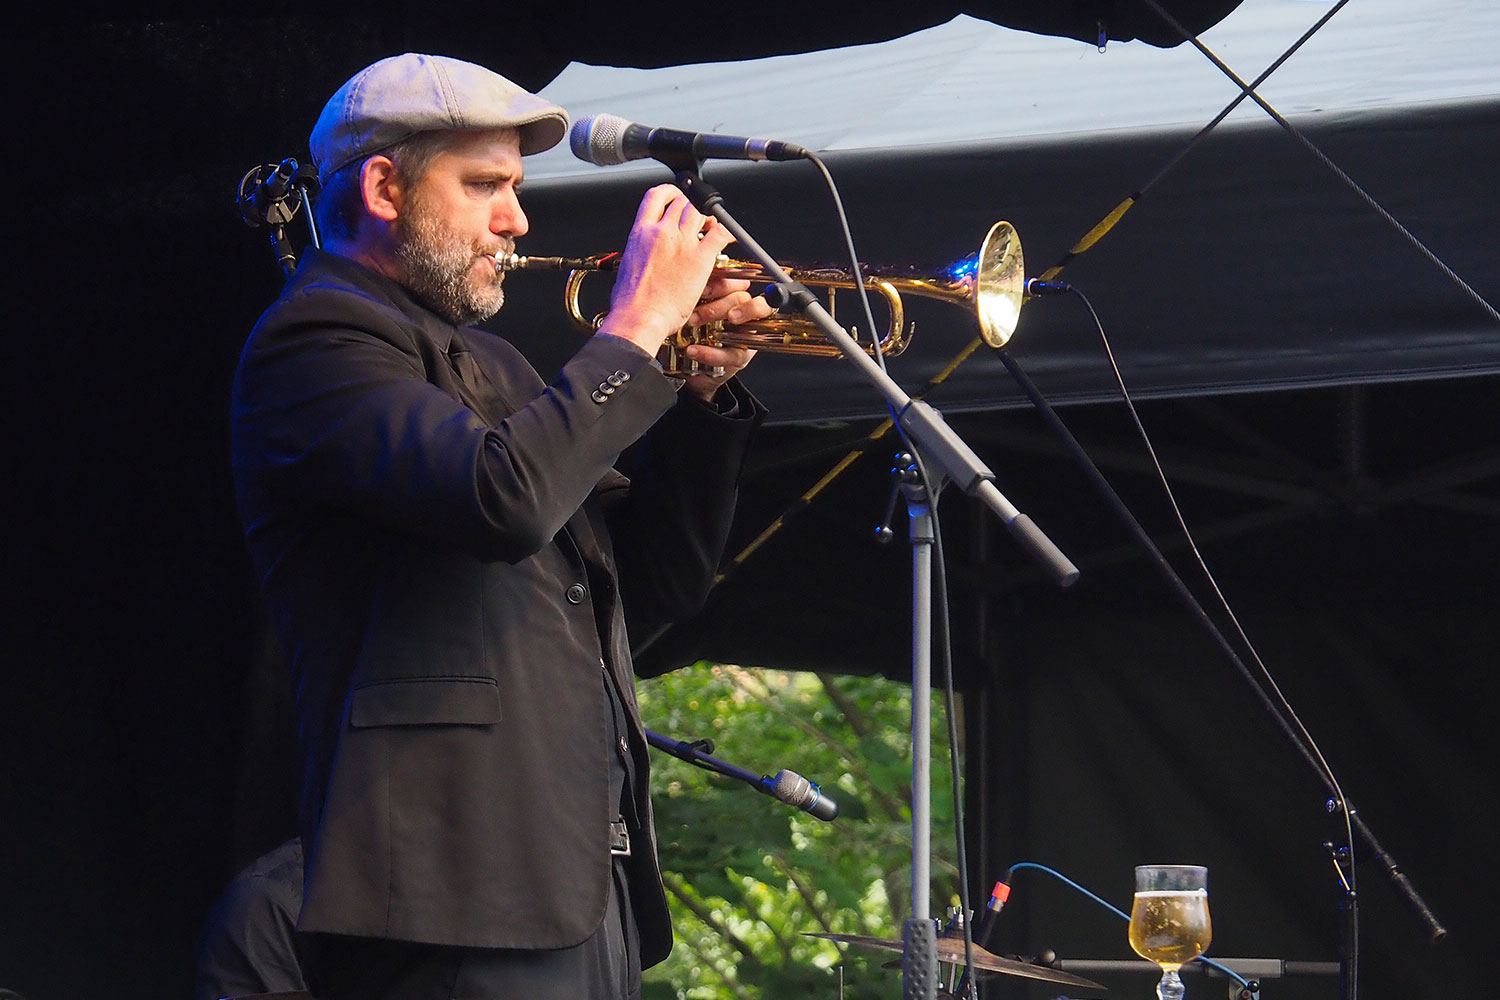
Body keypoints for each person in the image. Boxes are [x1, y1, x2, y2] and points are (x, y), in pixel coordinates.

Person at [230, 52, 771, 1000]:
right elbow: (503, 500)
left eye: (515, 187)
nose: (517, 219)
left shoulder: (500, 368)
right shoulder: (314, 342)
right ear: (386, 186)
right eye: (485, 185)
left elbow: (658, 587)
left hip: (577, 888)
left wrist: (691, 390)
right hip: (450, 895)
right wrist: (638, 325)